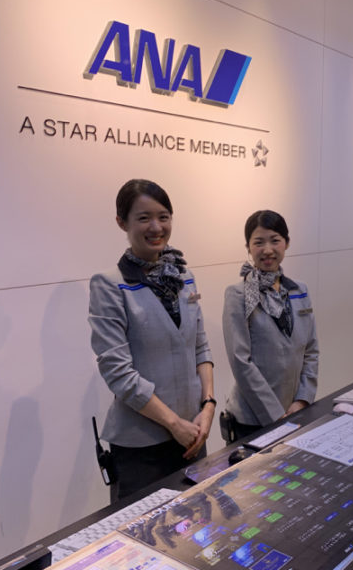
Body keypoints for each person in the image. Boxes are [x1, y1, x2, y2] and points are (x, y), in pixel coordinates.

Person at [89, 179, 215, 502]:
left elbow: (200, 347)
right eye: (143, 218)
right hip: (141, 450)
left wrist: (208, 405)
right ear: (122, 222)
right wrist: (174, 424)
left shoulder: (184, 277)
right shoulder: (109, 285)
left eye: (164, 216)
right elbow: (119, 374)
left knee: (200, 536)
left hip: (193, 436)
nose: (156, 227)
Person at [221, 210, 319, 444]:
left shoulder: (299, 290)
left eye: (275, 240)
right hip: (252, 419)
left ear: (286, 243)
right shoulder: (238, 294)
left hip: (295, 410)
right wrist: (277, 417)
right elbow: (240, 361)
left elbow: (311, 350)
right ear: (248, 247)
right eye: (258, 242)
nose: (267, 250)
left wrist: (302, 400)